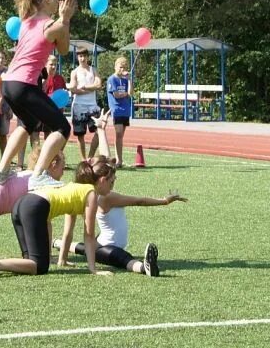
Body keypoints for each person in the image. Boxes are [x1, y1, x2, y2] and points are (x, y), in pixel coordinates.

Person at [62, 111, 186, 276]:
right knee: (119, 258)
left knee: (90, 247)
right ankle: (144, 267)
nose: (114, 184)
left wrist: (101, 130)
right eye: (112, 181)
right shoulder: (107, 198)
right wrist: (164, 201)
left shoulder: (92, 189)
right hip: (109, 246)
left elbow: (106, 159)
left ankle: (57, 244)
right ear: (102, 181)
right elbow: (139, 201)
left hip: (101, 243)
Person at [0, 154, 117, 278]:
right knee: (40, 266)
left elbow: (68, 231)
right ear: (102, 180)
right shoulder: (90, 194)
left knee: (30, 263)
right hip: (33, 208)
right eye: (111, 183)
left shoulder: (75, 188)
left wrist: (62, 259)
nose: (111, 188)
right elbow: (89, 235)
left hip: (21, 205)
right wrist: (93, 269)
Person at [0, 0, 77, 189]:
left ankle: (1, 172)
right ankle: (39, 174)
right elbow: (65, 49)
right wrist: (65, 20)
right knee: (62, 127)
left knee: (27, 123)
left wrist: (61, 21)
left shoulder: (26, 21)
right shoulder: (51, 25)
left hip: (8, 84)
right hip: (23, 85)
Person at [68, 47, 102, 160]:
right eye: (80, 56)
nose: (82, 58)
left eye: (84, 56)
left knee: (99, 131)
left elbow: (98, 85)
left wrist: (85, 87)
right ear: (77, 57)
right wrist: (88, 89)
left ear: (88, 57)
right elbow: (73, 89)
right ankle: (83, 160)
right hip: (79, 107)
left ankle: (90, 157)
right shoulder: (74, 72)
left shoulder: (93, 70)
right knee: (80, 134)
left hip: (92, 107)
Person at [107, 56, 134, 168]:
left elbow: (130, 93)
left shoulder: (124, 80)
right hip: (116, 109)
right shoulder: (112, 79)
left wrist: (129, 80)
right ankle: (118, 160)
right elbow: (116, 95)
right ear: (115, 67)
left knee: (121, 136)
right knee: (118, 133)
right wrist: (125, 94)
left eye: (124, 67)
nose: (122, 69)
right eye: (120, 67)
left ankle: (120, 160)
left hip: (125, 110)